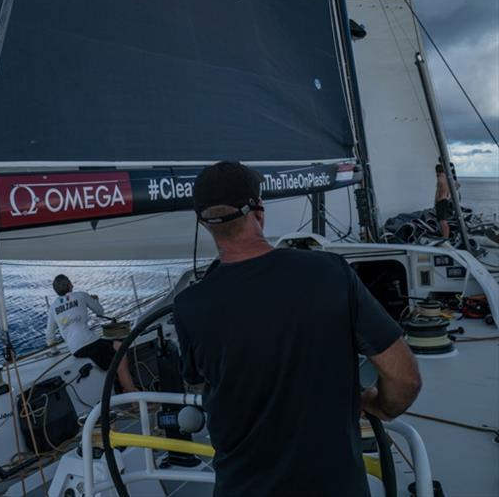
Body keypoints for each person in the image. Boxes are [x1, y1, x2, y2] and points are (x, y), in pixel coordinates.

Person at [174, 161, 421, 497]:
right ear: (258, 213)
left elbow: (199, 379)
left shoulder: (189, 306)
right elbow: (405, 378)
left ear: (203, 223)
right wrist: (381, 405)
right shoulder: (329, 272)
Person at [46, 274, 138, 393]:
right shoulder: (81, 295)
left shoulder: (53, 307)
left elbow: (49, 335)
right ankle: (132, 395)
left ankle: (125, 386)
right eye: (70, 282)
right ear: (69, 284)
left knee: (118, 346)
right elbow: (100, 311)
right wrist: (95, 300)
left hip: (75, 349)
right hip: (89, 342)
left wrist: (55, 351)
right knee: (121, 355)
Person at [434, 163, 460, 239]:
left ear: (437, 171)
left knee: (443, 221)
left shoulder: (440, 178)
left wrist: (435, 202)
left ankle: (445, 237)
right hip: (446, 199)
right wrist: (451, 192)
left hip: (440, 200)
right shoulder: (448, 178)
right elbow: (458, 184)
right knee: (443, 221)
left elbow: (438, 192)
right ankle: (445, 236)